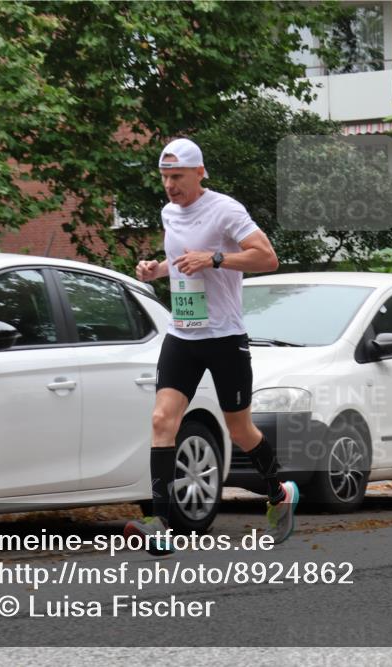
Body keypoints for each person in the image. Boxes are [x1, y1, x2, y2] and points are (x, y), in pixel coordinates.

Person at [124, 138, 298, 555]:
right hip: (183, 333)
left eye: (177, 177)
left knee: (240, 429)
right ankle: (160, 522)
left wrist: (215, 259)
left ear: (200, 173)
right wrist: (156, 269)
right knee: (162, 419)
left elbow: (267, 258)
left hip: (224, 336)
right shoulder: (169, 212)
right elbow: (182, 259)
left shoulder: (226, 210)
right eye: (165, 178)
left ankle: (279, 491)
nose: (170, 186)